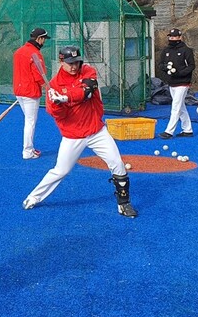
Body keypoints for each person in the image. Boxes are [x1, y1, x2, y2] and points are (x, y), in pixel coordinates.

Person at [23, 45, 138, 218]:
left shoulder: (87, 71)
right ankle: (34, 197)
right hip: (73, 135)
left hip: (96, 131)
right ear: (61, 62)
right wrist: (56, 103)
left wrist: (66, 96)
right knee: (60, 171)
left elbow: (87, 90)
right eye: (70, 63)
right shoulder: (54, 85)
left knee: (118, 163)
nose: (74, 66)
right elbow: (58, 116)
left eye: (77, 62)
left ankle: (124, 203)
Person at [13, 27, 48, 159]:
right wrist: (48, 88)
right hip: (30, 92)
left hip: (19, 90)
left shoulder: (19, 51)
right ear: (39, 39)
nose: (44, 42)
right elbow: (39, 75)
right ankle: (27, 151)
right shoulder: (35, 53)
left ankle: (30, 149)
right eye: (43, 39)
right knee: (30, 121)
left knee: (28, 120)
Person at [158, 28, 195, 139]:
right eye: (170, 37)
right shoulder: (166, 51)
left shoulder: (186, 50)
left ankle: (169, 131)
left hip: (183, 83)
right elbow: (160, 64)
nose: (172, 38)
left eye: (174, 37)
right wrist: (166, 68)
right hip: (171, 82)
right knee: (180, 106)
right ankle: (188, 129)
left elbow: (191, 66)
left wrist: (180, 73)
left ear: (179, 37)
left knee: (175, 106)